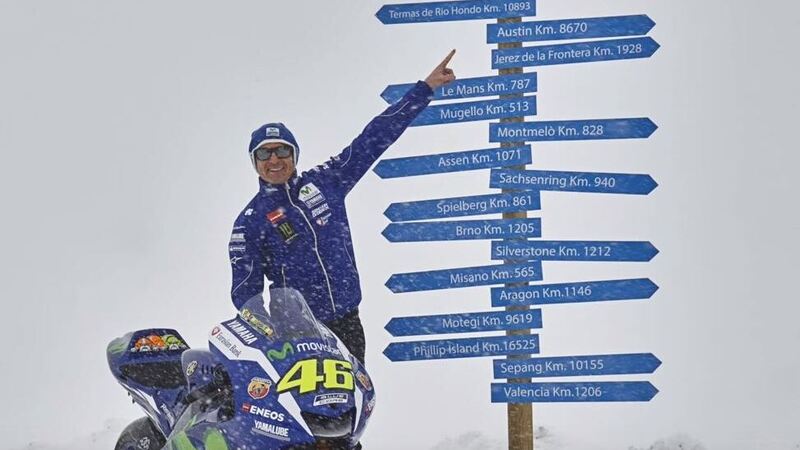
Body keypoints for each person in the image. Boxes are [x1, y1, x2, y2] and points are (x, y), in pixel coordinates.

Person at [229, 51, 456, 363]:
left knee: (353, 409)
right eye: (264, 154)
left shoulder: (326, 182)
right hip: (296, 336)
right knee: (312, 412)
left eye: (282, 150)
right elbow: (246, 293)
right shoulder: (249, 222)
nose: (274, 160)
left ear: (294, 154)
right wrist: (269, 338)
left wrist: (424, 89)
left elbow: (374, 137)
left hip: (348, 322)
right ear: (255, 164)